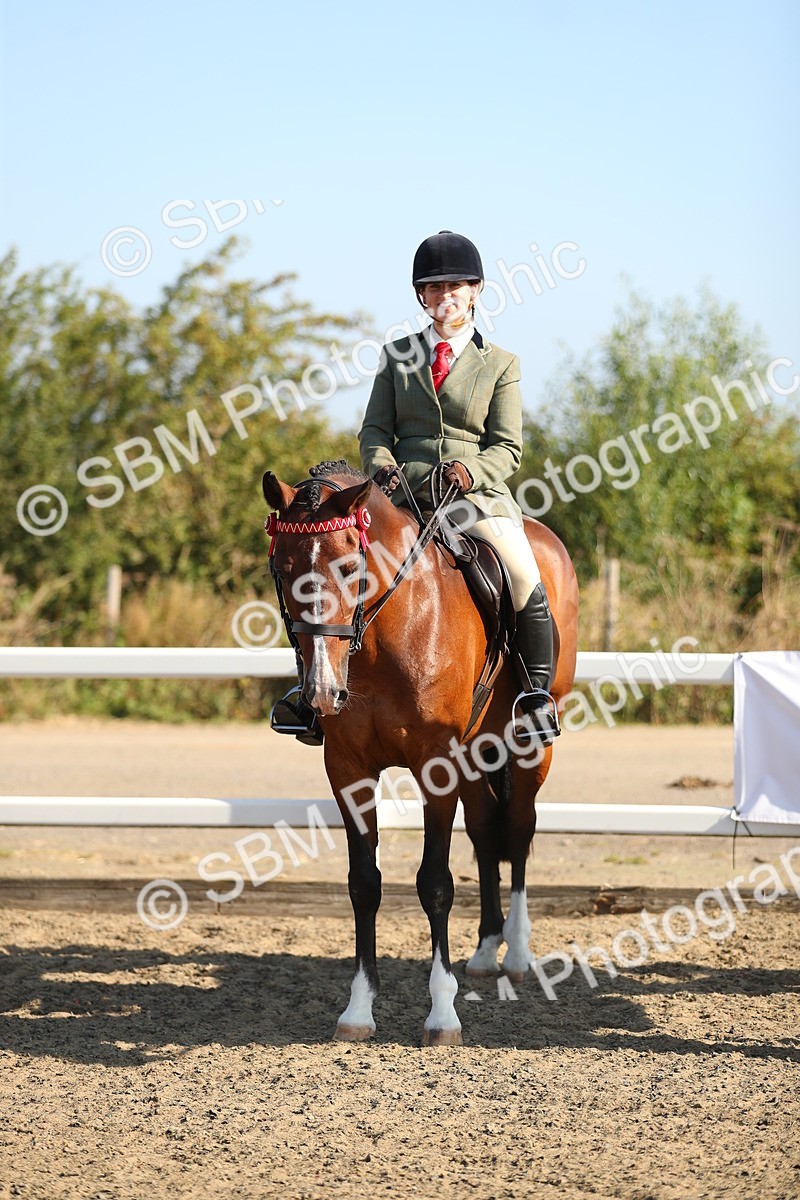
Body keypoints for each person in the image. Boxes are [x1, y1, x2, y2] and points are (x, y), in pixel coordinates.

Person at [271, 230, 559, 746]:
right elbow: (375, 430)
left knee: (521, 570)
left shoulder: (501, 364)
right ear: (420, 297)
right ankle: (313, 697)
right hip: (401, 495)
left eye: (455, 286)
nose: (444, 296)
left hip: (472, 497)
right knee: (330, 572)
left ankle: (535, 695)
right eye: (433, 288)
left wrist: (471, 472)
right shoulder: (398, 356)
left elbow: (508, 448)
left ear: (475, 292)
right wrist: (381, 468)